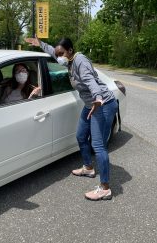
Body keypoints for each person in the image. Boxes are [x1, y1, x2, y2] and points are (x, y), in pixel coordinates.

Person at [24, 36, 118, 201]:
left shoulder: (80, 62)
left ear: (70, 51)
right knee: (81, 136)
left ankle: (105, 188)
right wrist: (40, 44)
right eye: (58, 54)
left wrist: (97, 98)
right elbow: (52, 51)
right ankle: (88, 168)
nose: (58, 57)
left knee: (98, 145)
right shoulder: (66, 59)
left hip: (102, 104)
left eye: (61, 53)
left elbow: (90, 81)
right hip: (90, 105)